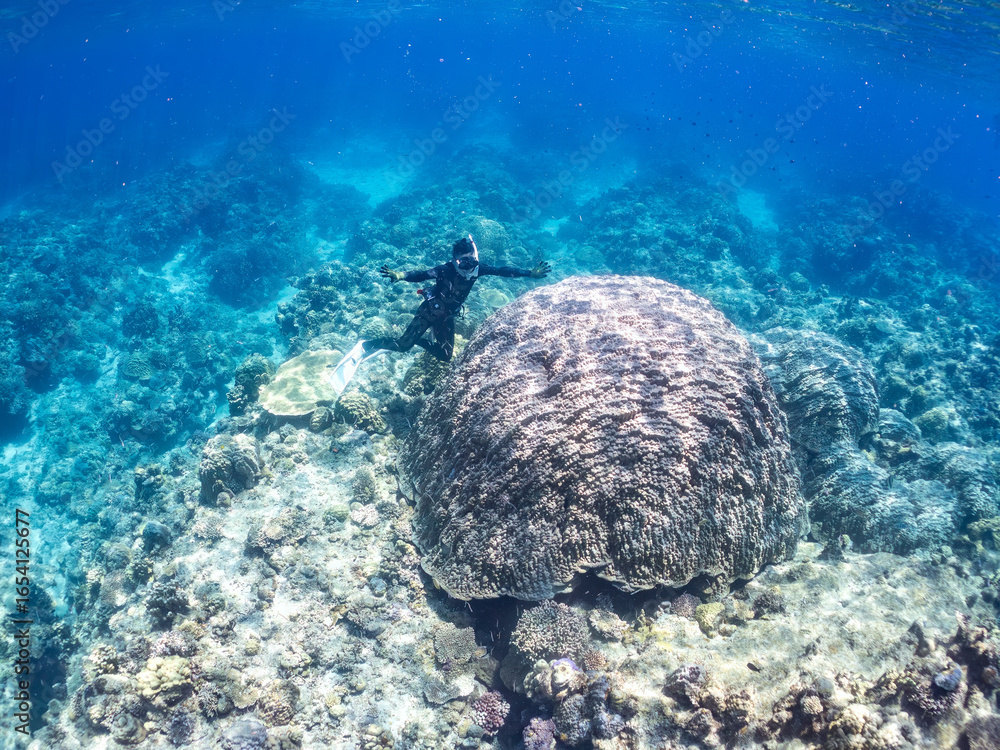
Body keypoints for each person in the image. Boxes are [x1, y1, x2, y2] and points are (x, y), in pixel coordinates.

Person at [362, 235, 551, 361]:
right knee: (402, 347)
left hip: (448, 316)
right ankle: (367, 345)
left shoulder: (480, 269)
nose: (468, 267)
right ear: (454, 260)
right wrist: (401, 275)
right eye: (463, 262)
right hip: (429, 311)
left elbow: (503, 270)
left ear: (476, 257)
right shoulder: (445, 269)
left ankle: (416, 340)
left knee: (445, 356)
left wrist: (529, 273)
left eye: (472, 261)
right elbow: (422, 274)